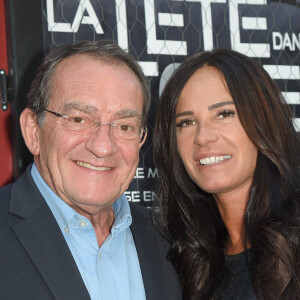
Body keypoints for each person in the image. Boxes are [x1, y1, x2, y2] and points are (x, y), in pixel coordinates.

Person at [0, 40, 181, 300]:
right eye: (78, 119)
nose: (103, 147)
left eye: (125, 126)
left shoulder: (169, 239)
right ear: (33, 131)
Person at [153, 48, 300, 299]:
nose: (203, 137)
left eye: (224, 114)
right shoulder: (183, 257)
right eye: (186, 122)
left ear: (263, 120)